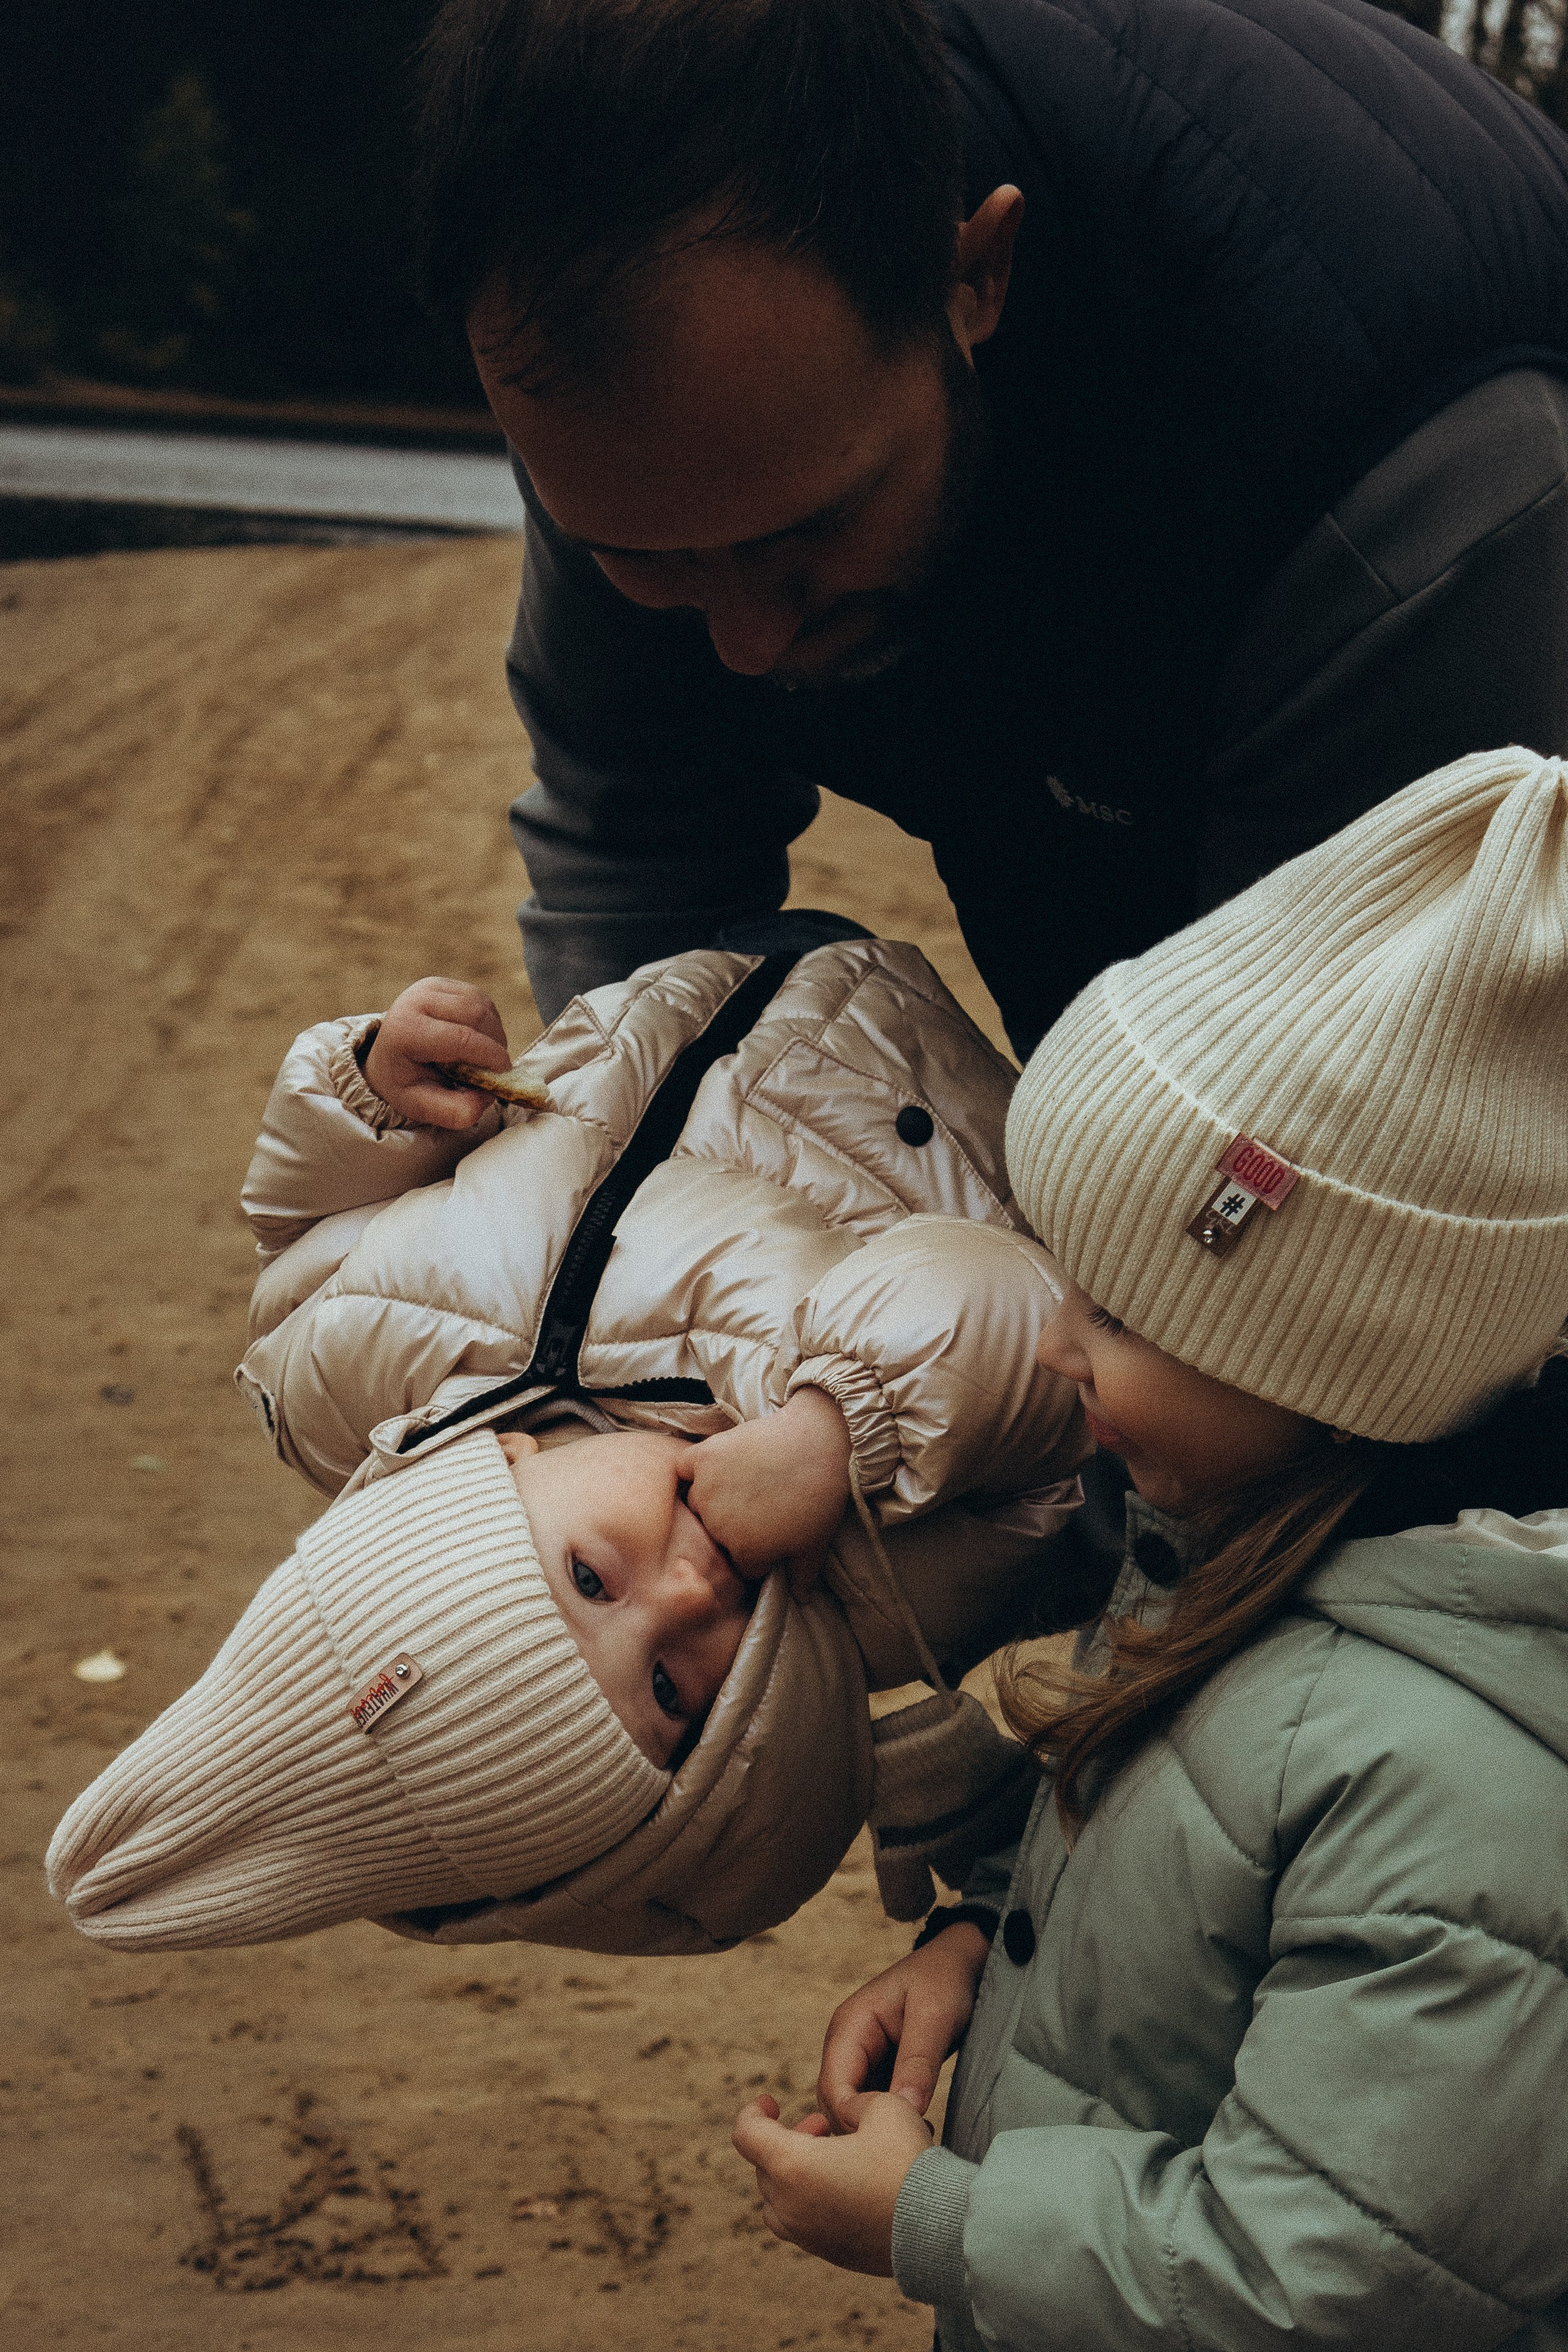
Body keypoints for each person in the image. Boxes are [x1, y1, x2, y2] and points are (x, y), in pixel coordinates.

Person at [732, 744, 1568, 2344]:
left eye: (1112, 1310)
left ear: (1329, 1362)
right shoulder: (1238, 1537)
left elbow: (1337, 2276)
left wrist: (939, 2219)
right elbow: (1173, 1843)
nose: (1055, 1348)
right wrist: (983, 1936)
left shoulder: (1462, 1776)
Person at [417, 0, 1568, 1062]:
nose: (746, 645)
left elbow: (1340, 1127)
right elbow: (633, 864)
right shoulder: (626, 368)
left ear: (973, 274)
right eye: (645, 555)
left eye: (804, 533)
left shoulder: (1407, 466)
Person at [47, 935, 1088, 1957]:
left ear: (496, 1472)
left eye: (591, 1579)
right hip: (986, 1079)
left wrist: (375, 1100)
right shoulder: (872, 1565)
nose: (683, 1602)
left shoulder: (335, 1377)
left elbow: (305, 1229)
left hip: (685, 974)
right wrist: (834, 1432)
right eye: (673, 1693)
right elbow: (1025, 1326)